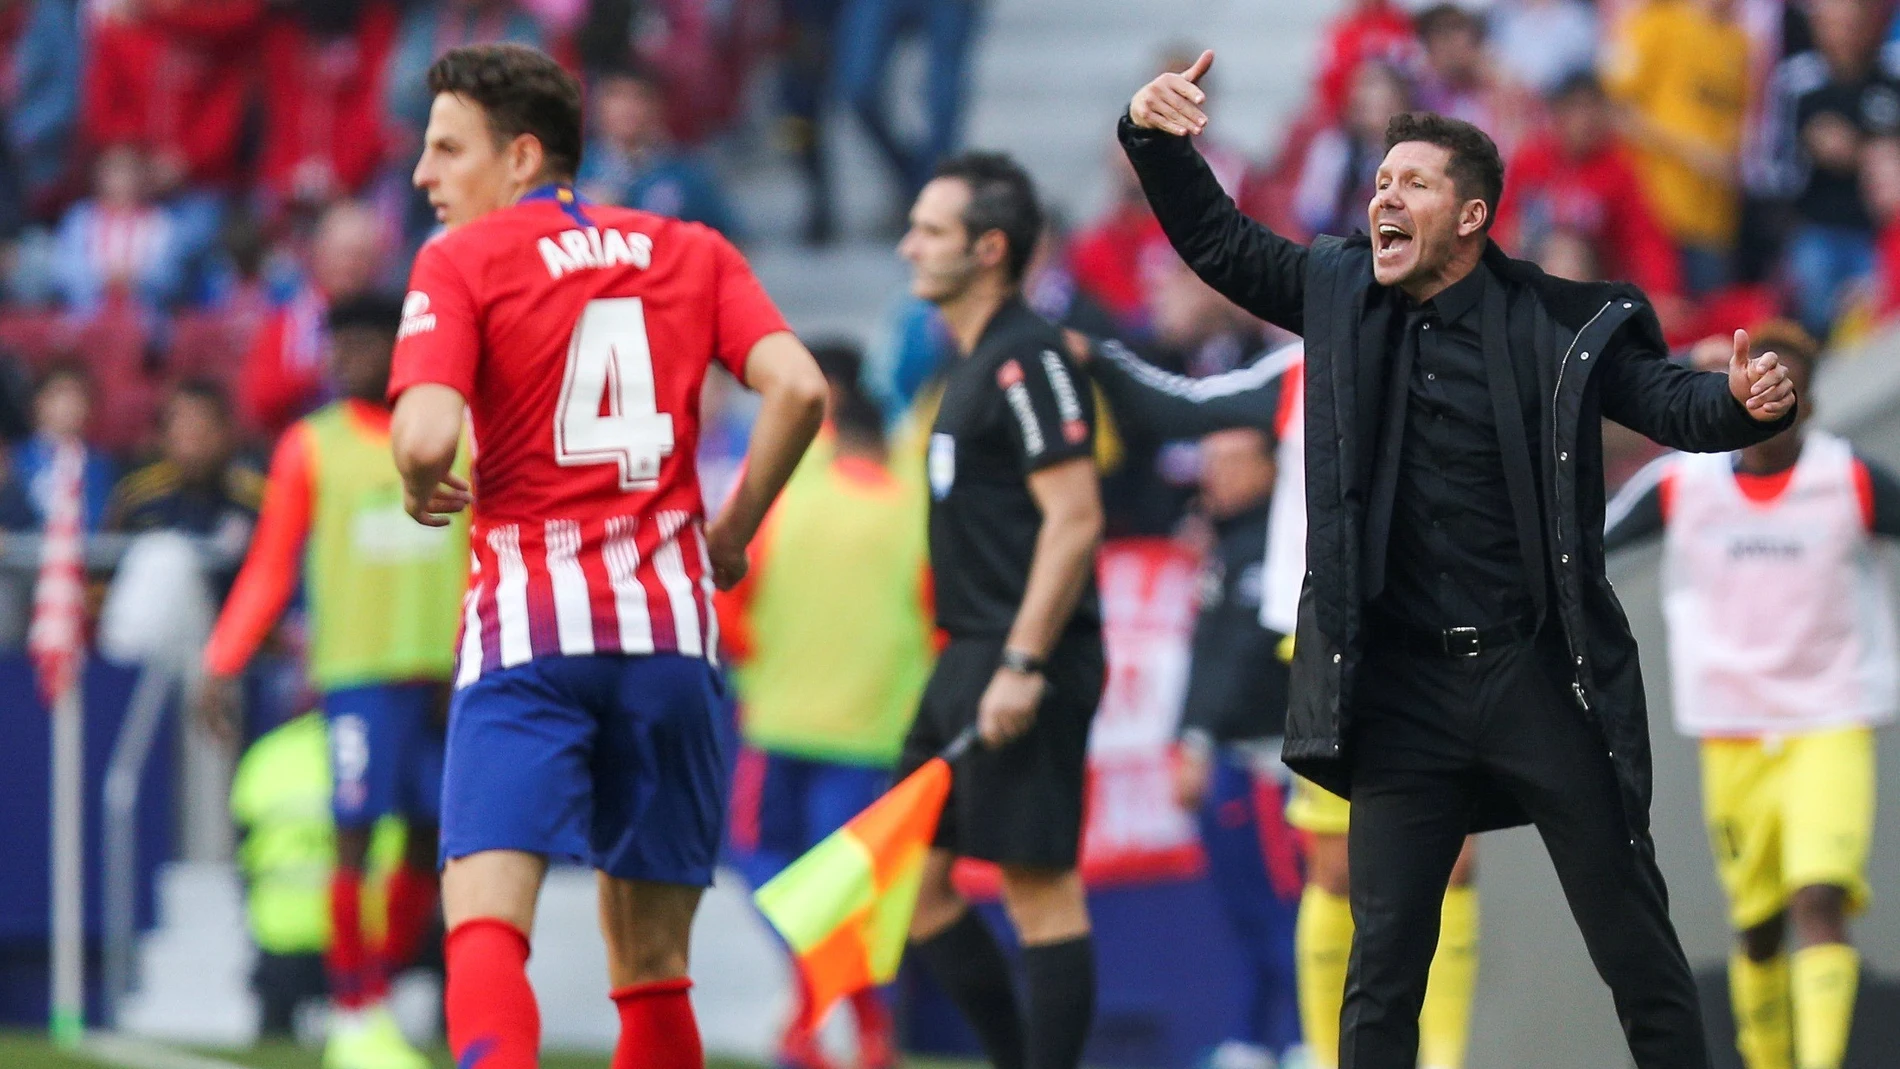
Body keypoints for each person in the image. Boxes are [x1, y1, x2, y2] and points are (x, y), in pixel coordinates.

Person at [1124, 51, 1795, 1069]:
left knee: (1634, 944)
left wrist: (1736, 408)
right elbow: (1218, 242)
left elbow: (1665, 399)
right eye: (1379, 180)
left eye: (1411, 183)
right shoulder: (1340, 288)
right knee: (1382, 965)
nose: (1382, 196)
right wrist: (1155, 140)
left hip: (1535, 674)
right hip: (1401, 691)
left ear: (1472, 216)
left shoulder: (1557, 322)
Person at [387, 43, 827, 1069]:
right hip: (669, 637)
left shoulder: (461, 260)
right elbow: (801, 387)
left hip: (529, 635)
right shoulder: (692, 248)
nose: (423, 174)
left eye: (447, 149)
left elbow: (419, 436)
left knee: (487, 924)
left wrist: (418, 479)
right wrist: (732, 530)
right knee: (652, 966)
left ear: (522, 155)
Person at [1080, 339, 1479, 1069]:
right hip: (1328, 644)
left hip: (1443, 637)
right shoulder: (1305, 365)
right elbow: (1176, 406)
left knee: (1447, 860)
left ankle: (1443, 1056)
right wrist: (1099, 355)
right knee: (1333, 871)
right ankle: (1330, 1055)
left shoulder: (1472, 353)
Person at [1604, 322, 1892, 1069]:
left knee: (1818, 897)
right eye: (1757, 383)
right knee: (1759, 923)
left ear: (1809, 399)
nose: (1769, 399)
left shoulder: (1849, 477)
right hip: (1732, 726)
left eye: (1785, 385)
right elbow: (1588, 543)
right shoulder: (1681, 483)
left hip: (1831, 718)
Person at [201, 294, 467, 1069]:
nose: (343, 358)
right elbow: (272, 563)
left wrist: (472, 650)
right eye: (338, 345)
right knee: (355, 836)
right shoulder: (310, 446)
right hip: (357, 675)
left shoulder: (460, 436)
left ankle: (377, 992)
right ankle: (356, 1011)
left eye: (361, 344)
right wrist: (224, 658)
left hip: (445, 679)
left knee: (429, 844)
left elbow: (489, 552)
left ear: (400, 348)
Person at [895, 151, 1105, 1069]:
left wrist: (1022, 663)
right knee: (917, 883)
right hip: (966, 653)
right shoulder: (972, 363)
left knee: (1040, 890)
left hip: (1025, 657)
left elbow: (1076, 517)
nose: (909, 245)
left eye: (931, 231)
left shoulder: (1028, 354)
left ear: (988, 248)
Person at [719, 342, 932, 1069]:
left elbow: (731, 607)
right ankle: (848, 1020)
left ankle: (818, 1019)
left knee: (763, 864)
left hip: (779, 719)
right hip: (875, 731)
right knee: (846, 888)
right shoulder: (917, 508)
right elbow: (940, 620)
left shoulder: (781, 494)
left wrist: (762, 660)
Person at [1170, 423, 1302, 1069]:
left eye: (1228, 461)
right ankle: (1252, 1036)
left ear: (1271, 468)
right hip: (1230, 760)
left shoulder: (1285, 546)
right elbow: (1205, 654)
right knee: (1242, 909)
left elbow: (1246, 662)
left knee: (1294, 907)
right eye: (1208, 461)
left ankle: (1308, 1037)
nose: (1212, 476)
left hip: (1278, 764)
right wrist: (1191, 737)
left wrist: (1198, 735)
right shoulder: (1225, 548)